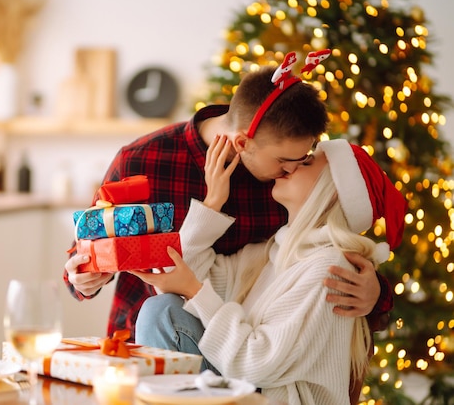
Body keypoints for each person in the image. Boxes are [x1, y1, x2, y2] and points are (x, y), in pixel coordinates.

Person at [64, 61, 392, 341]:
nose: (292, 169)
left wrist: (376, 294)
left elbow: (330, 247)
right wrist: (83, 276)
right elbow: (85, 253)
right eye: (283, 160)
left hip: (241, 363)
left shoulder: (290, 188)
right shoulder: (142, 160)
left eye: (301, 158)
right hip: (142, 346)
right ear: (243, 143)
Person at [131, 137, 407, 405]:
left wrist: (194, 291)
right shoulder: (276, 252)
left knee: (162, 313)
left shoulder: (330, 268)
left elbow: (257, 363)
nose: (291, 166)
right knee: (162, 310)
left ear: (333, 190)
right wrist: (213, 200)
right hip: (251, 388)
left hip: (268, 394)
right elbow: (181, 270)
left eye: (307, 163)